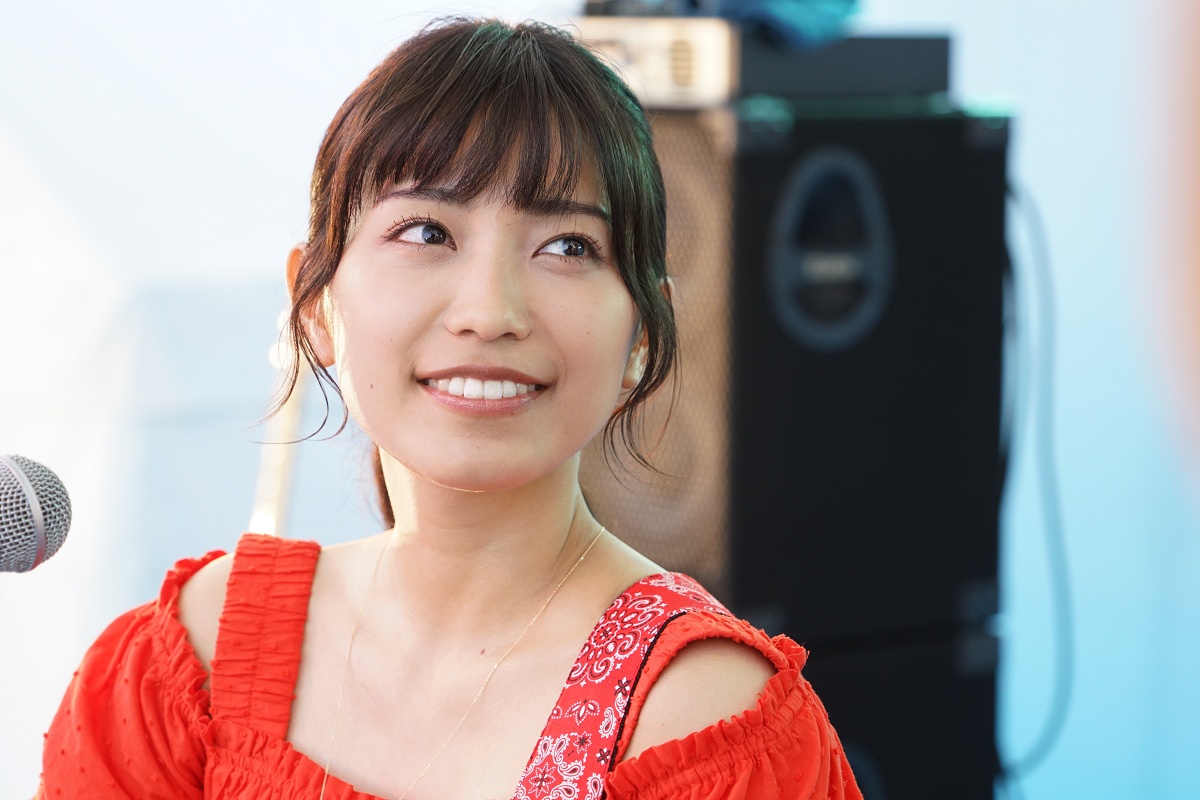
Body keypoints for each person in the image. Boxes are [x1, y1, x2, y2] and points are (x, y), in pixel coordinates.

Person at [37, 18, 861, 800]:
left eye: (567, 246)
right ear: (315, 304)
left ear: (643, 334)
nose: (489, 311)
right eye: (427, 233)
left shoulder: (705, 717)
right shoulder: (189, 662)